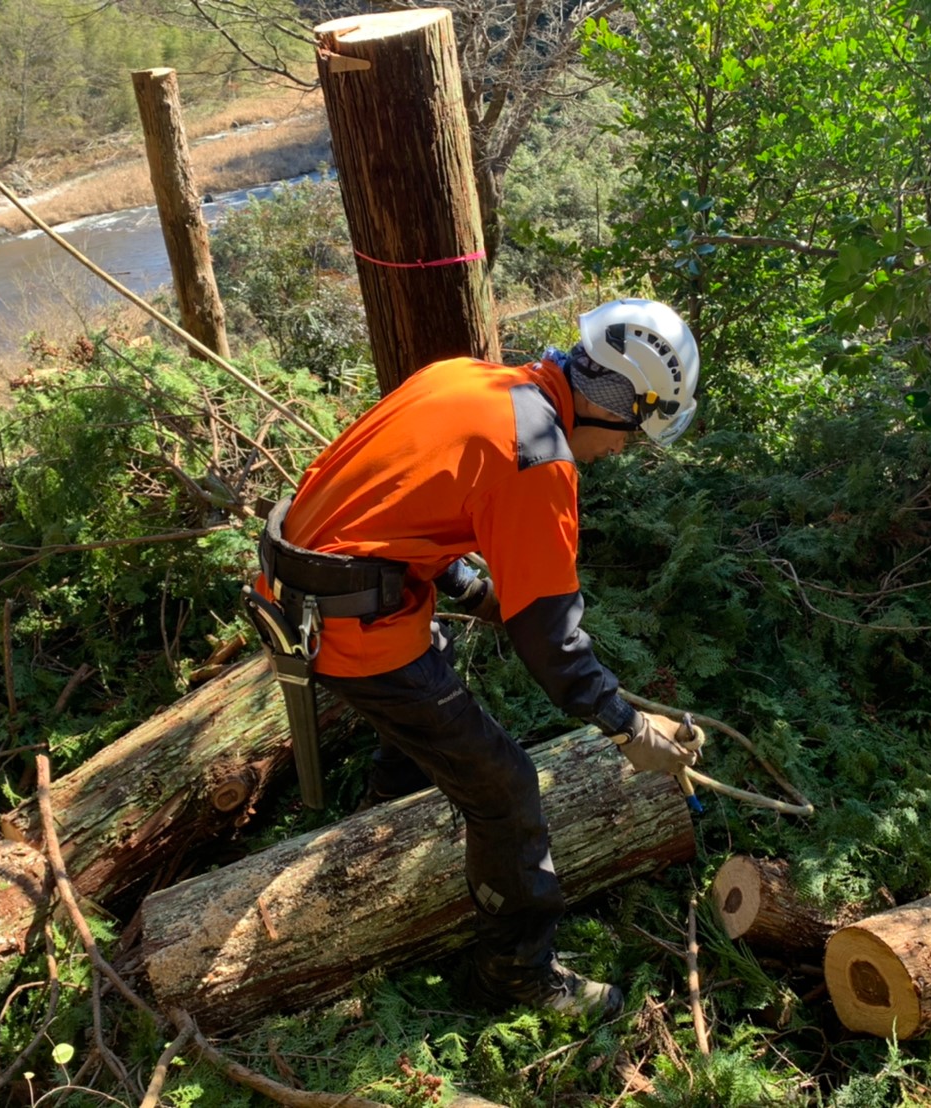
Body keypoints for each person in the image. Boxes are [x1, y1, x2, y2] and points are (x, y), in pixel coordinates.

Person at [254, 298, 705, 1018]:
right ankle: (516, 972)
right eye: (633, 433)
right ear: (615, 400)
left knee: (432, 688)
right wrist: (628, 727)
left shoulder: (468, 379)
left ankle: (386, 809)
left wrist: (473, 588)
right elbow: (552, 646)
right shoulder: (539, 460)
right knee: (505, 785)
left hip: (301, 583)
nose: (622, 451)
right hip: (347, 627)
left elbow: (400, 504)